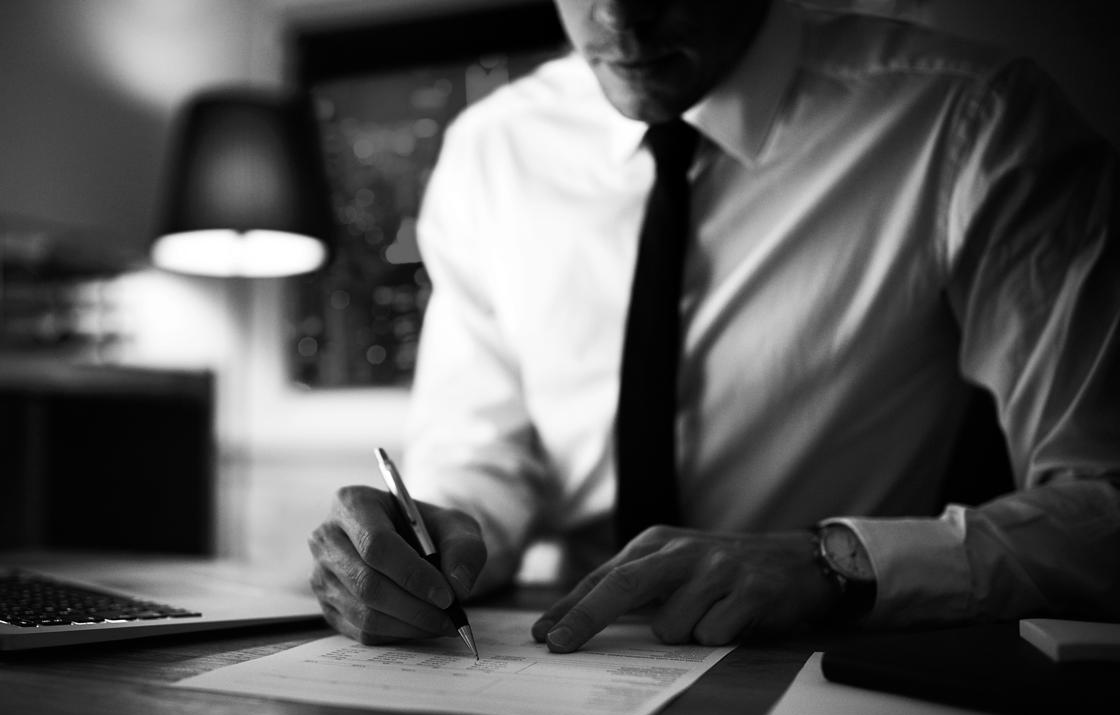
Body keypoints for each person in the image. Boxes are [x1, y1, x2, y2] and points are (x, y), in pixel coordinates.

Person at [307, 0, 1120, 652]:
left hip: (822, 672)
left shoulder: (968, 121)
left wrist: (835, 562)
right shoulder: (491, 149)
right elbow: (483, 453)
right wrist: (435, 537)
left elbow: (1105, 507)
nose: (619, 20)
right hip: (565, 659)